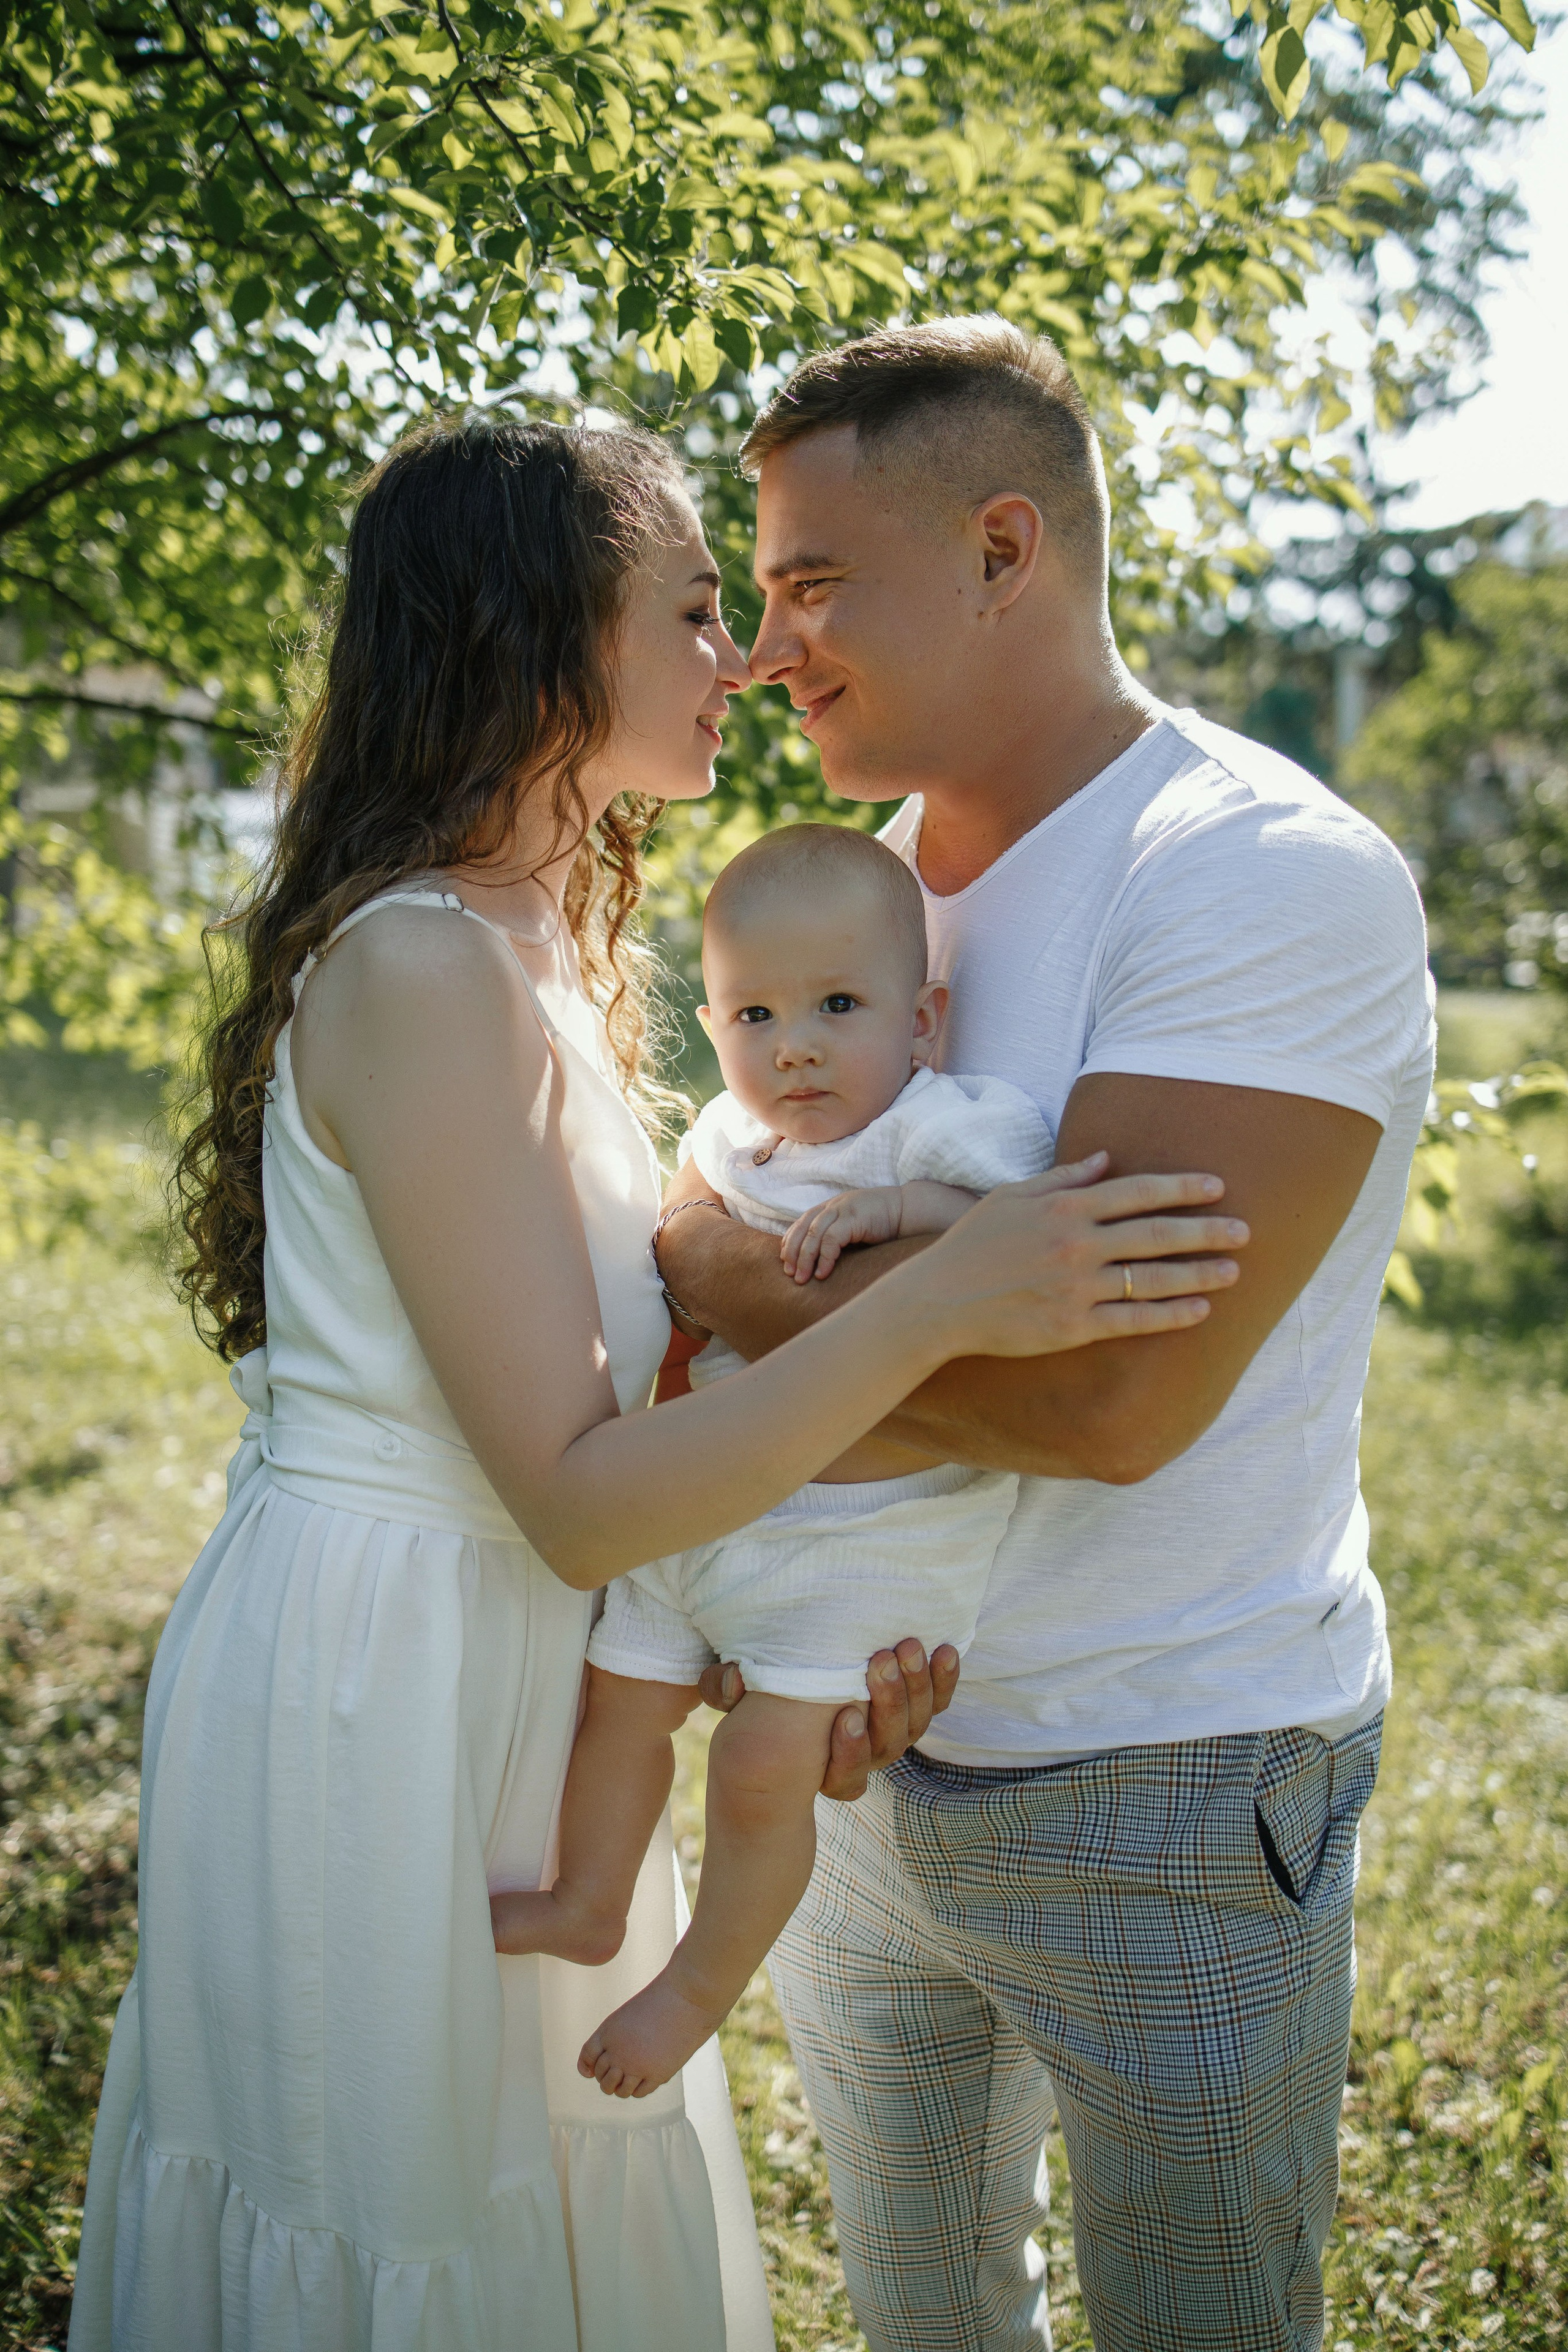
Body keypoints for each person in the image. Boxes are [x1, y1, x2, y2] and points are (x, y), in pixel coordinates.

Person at [67, 410, 1238, 2352]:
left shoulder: (538, 935)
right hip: (383, 1676)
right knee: (397, 2217)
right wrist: (946, 1303)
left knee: (533, 2209)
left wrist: (797, 1639)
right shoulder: (423, 967)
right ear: (539, 640)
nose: (748, 657)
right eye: (696, 611)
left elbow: (649, 1404)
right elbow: (576, 1492)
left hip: (527, 1662)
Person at [655, 318, 1436, 2352]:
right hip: (857, 1743)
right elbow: (690, 1250)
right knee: (922, 2321)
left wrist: (738, 1288)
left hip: (1167, 1780)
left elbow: (1104, 1397)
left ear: (1004, 549)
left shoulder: (1253, 875)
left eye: (816, 583)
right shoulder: (846, 910)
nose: (764, 649)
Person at [491, 823, 1077, 2100]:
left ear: (922, 1022)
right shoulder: (723, 1141)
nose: (795, 1046)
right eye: (755, 1015)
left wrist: (905, 1213)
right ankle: (590, 1900)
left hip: (862, 1543)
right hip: (707, 1503)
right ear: (712, 1030)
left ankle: (694, 1990)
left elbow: (1023, 1233)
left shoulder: (938, 1130)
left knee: (762, 1765)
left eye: (837, 1008)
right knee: (617, 1702)